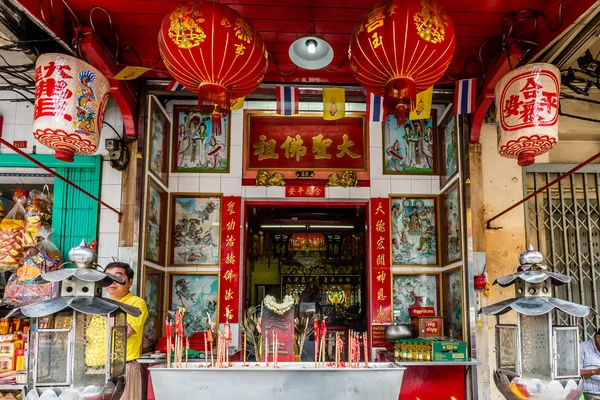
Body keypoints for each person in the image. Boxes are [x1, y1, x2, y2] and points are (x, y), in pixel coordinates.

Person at [105, 262, 149, 400]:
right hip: (97, 369)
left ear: (130, 282)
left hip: (123, 370)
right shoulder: (100, 302)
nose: (112, 282)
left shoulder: (136, 303)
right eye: (107, 277)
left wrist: (102, 309)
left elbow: (124, 333)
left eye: (118, 277)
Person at [580, 330, 600, 399]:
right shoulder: (582, 348)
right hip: (590, 393)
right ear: (598, 338)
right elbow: (573, 374)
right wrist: (595, 372)